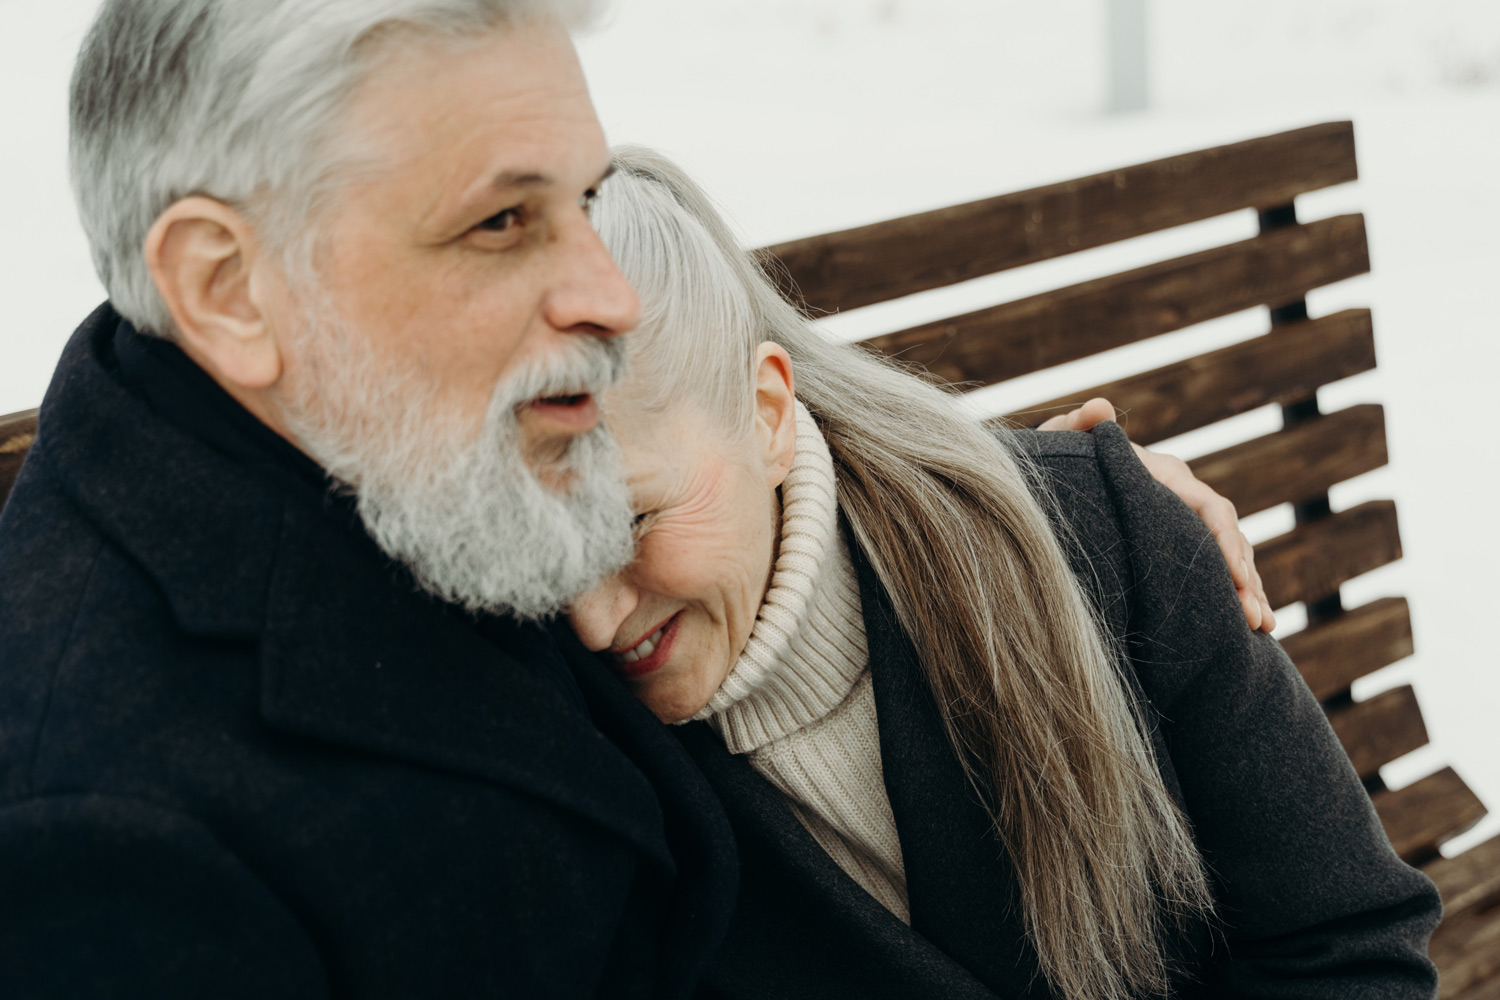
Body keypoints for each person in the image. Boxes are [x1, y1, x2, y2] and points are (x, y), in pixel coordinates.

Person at [0, 1, 1269, 996]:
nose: (607, 291)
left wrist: (1066, 519)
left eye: (586, 200)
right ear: (226, 287)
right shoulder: (123, 851)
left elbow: (710, 433)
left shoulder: (346, 434)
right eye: (503, 220)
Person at [567, 148, 1443, 1000]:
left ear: (764, 416)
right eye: (542, 556)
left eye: (632, 521)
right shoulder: (561, 725)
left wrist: (1105, 515)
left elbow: (1348, 944)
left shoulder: (1090, 543)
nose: (592, 620)